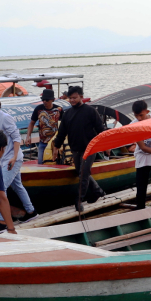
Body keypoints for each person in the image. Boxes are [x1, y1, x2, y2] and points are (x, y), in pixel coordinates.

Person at [0, 94, 36, 223]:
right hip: (3, 159)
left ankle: (3, 221)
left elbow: (17, 138)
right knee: (18, 186)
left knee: (1, 188)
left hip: (12, 159)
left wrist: (14, 157)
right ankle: (31, 211)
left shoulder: (5, 118)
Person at [51, 85, 105, 213]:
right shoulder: (68, 114)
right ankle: (97, 190)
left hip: (90, 148)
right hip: (75, 148)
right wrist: (56, 147)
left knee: (84, 174)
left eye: (75, 98)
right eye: (70, 98)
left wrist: (105, 146)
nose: (72, 100)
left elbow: (101, 130)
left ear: (81, 97)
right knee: (81, 172)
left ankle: (79, 200)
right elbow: (61, 133)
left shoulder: (91, 111)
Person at [26, 90, 63, 165]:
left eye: (47, 100)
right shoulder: (38, 109)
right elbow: (32, 123)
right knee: (40, 163)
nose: (44, 102)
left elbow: (63, 126)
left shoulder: (59, 110)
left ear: (52, 100)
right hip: (43, 142)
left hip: (55, 142)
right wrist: (28, 136)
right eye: (43, 100)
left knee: (57, 162)